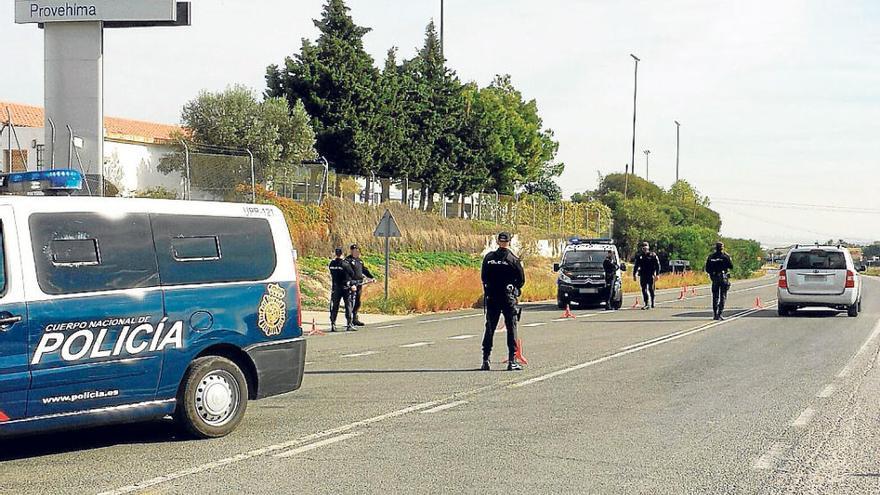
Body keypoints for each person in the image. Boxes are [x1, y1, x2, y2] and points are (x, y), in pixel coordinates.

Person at [480, 232, 526, 371]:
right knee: (511, 328)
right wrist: (513, 289)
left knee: (489, 328)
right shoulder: (513, 259)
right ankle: (512, 361)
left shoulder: (489, 258)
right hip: (507, 298)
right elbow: (521, 280)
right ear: (509, 242)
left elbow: (484, 277)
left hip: (492, 297)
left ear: (497, 241)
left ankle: (485, 360)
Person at [345, 244, 375, 327]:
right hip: (352, 284)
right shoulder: (348, 260)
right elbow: (346, 273)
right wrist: (350, 283)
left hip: (359, 283)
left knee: (358, 302)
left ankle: (355, 318)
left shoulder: (359, 260)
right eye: (353, 250)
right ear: (351, 251)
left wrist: (371, 277)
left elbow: (364, 270)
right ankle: (349, 320)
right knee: (350, 302)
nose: (355, 251)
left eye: (356, 250)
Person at [328, 247, 356, 332]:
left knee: (334, 306)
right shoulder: (345, 264)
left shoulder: (332, 264)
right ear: (342, 254)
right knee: (348, 305)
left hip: (335, 287)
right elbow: (351, 274)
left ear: (335, 254)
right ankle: (349, 324)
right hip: (345, 288)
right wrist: (352, 284)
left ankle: (333, 324)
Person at [706, 241, 734, 320]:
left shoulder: (711, 257)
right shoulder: (725, 256)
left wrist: (712, 273)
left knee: (715, 297)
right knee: (723, 296)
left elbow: (707, 269)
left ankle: (715, 314)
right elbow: (731, 266)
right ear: (722, 248)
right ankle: (719, 313)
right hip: (723, 277)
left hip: (714, 277)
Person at [633, 242, 660, 309]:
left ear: (648, 247)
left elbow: (657, 265)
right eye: (643, 247)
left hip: (651, 274)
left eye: (646, 247)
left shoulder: (653, 255)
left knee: (651, 289)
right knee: (644, 289)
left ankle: (653, 302)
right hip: (643, 274)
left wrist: (657, 274)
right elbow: (636, 266)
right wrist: (634, 274)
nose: (645, 248)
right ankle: (646, 303)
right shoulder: (640, 256)